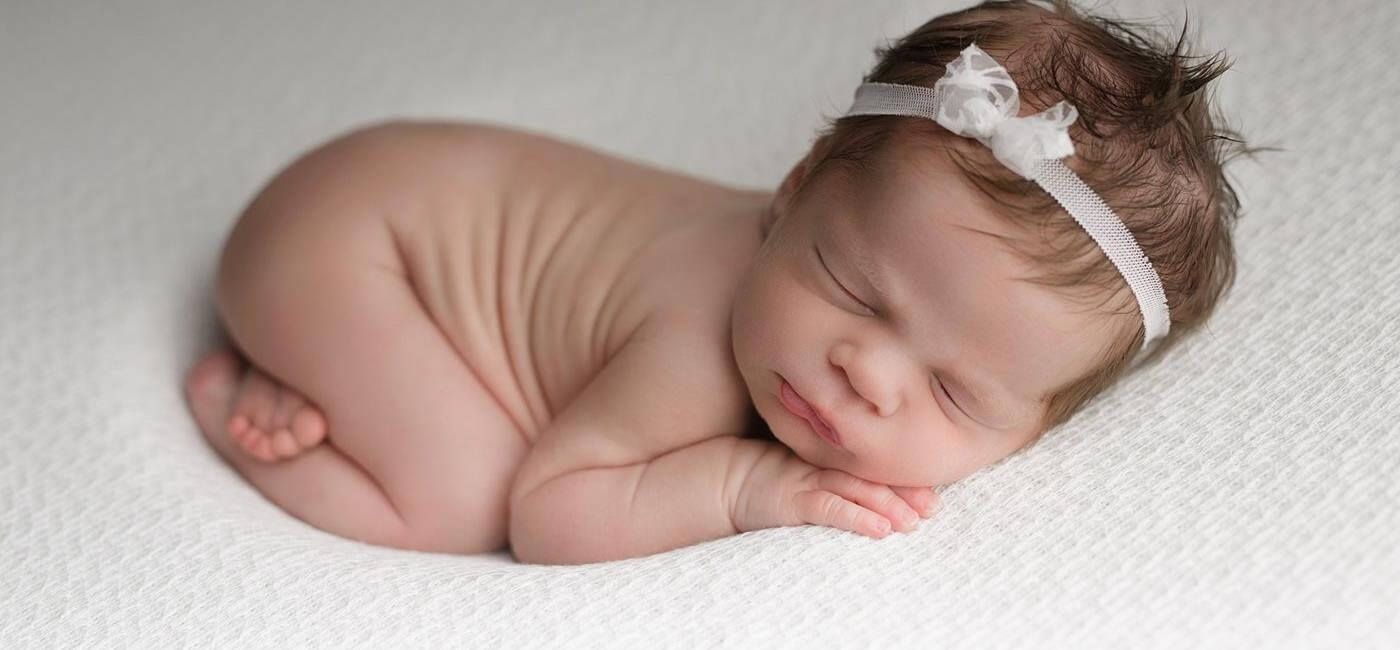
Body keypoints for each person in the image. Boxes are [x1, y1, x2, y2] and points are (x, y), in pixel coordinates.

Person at [183, 0, 1254, 564]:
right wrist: (744, 487)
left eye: (953, 393)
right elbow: (548, 511)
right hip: (346, 243)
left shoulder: (848, 248)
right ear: (789, 194)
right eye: (850, 285)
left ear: (1030, 430)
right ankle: (259, 397)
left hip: (387, 200)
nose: (864, 371)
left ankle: (341, 373)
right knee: (459, 494)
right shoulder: (698, 344)